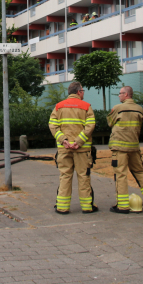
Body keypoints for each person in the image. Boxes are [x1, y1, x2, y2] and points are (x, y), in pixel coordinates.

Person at [48, 81, 98, 214]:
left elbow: (53, 125)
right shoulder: (86, 106)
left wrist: (63, 140)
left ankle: (62, 207)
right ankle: (87, 207)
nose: (83, 93)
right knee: (83, 176)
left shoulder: (59, 107)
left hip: (64, 150)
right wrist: (79, 141)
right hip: (82, 150)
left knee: (65, 176)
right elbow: (90, 126)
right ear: (78, 92)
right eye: (83, 91)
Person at [107, 86, 143, 213]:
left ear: (126, 94)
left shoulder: (118, 108)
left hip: (120, 148)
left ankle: (122, 206)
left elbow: (109, 122)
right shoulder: (139, 109)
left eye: (120, 93)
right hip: (134, 147)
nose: (119, 96)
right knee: (140, 171)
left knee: (121, 175)